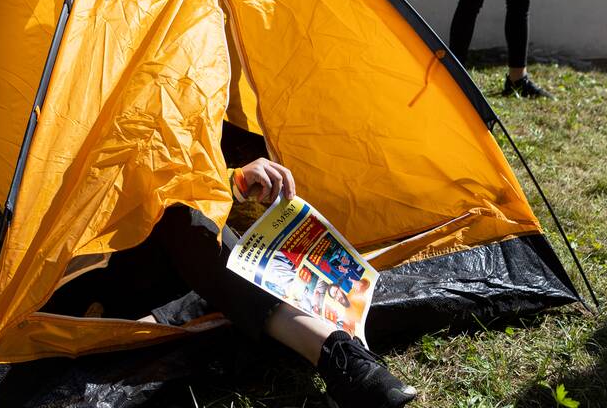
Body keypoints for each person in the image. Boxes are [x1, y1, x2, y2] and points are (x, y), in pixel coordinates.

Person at [144, 157, 416, 407]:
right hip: (115, 267)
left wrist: (231, 182)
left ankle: (335, 352)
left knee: (184, 211)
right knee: (178, 212)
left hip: (173, 259)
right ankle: (334, 354)